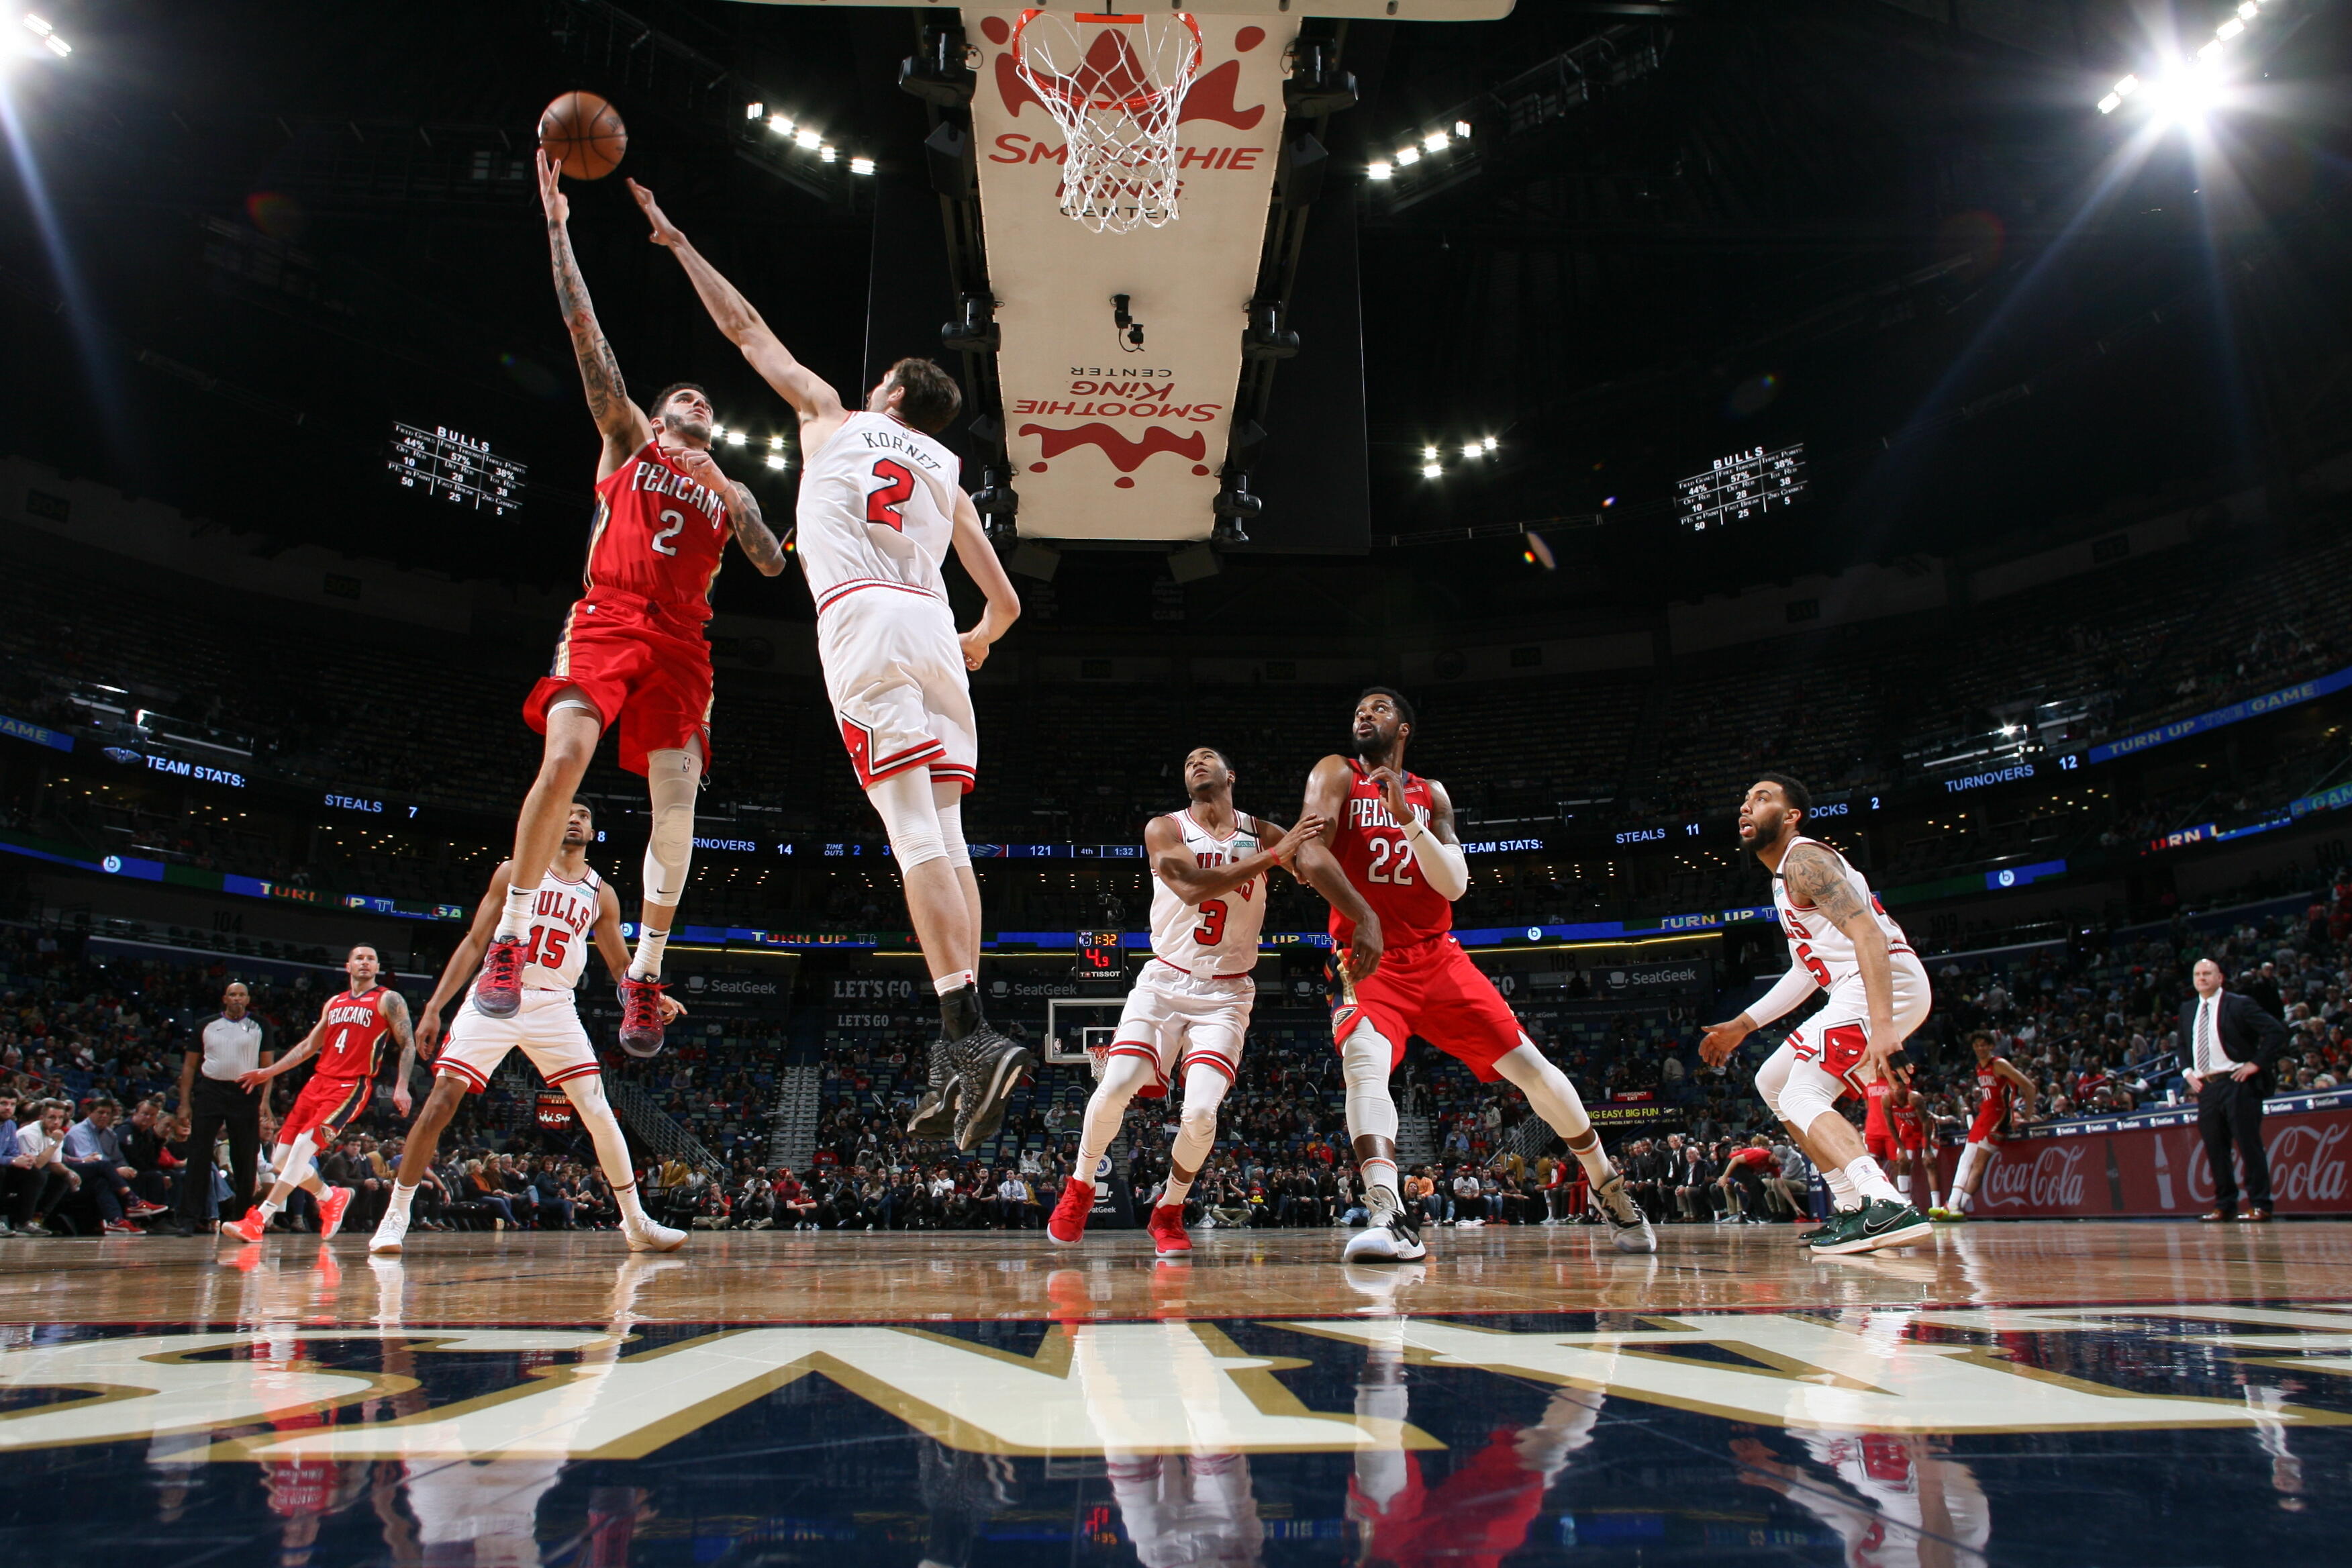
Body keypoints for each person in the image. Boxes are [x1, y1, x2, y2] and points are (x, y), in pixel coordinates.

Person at [628, 178, 1026, 1148]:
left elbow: (745, 330)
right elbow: (1007, 603)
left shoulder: (834, 416)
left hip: (865, 621)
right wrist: (977, 639)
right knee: (949, 838)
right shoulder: (950, 475)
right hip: (935, 631)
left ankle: (969, 1033)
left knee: (911, 835)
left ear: (890, 394)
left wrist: (680, 244)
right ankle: (960, 1042)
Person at [467, 152, 789, 1062]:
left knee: (677, 807)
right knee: (565, 758)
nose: (697, 401)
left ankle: (644, 972)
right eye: (683, 396)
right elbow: (587, 337)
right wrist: (558, 230)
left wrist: (724, 482)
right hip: (609, 617)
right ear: (656, 413)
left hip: (685, 644)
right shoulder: (627, 439)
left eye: (706, 402)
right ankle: (511, 937)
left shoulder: (727, 487)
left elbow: (770, 563)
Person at [1305, 688, 1654, 1263]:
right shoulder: (1336, 772)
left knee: (1532, 1069)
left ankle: (1607, 1185)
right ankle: (1387, 1212)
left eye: (1380, 708)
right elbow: (1310, 854)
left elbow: (1455, 884)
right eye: (1360, 709)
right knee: (1363, 1064)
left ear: (1404, 729)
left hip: (1438, 958)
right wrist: (1364, 917)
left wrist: (1407, 820)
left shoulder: (1431, 794)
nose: (1365, 714)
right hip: (1367, 959)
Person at [1047, 747, 1333, 1257]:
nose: (1196, 763)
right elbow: (1189, 887)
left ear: (1231, 775)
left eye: (1207, 758)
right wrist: (1277, 856)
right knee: (1115, 1085)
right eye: (1187, 762)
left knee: (1200, 1112)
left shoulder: (1263, 832)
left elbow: (1318, 867)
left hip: (1226, 993)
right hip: (1164, 982)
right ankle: (1081, 1186)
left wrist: (1319, 850)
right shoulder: (1166, 828)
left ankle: (1170, 1209)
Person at [369, 801, 689, 1255]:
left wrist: (652, 998)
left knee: (597, 1109)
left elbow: (621, 966)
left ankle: (636, 1221)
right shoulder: (514, 871)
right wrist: (435, 1006)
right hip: (496, 992)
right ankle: (395, 1216)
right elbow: (475, 941)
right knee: (441, 1100)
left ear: (593, 833)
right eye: (568, 811)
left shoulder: (602, 893)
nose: (575, 818)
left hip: (555, 1004)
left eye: (584, 815)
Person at [1698, 775, 1934, 1255]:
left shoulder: (1805, 860)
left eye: (1762, 798)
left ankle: (1885, 1202)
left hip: (1881, 980)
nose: (1746, 807)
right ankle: (1849, 1203)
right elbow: (1807, 970)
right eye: (1745, 800)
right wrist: (1743, 1025)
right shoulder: (1783, 878)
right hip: (1854, 986)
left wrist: (1884, 1028)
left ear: (1791, 817)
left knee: (1803, 1092)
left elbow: (1869, 935)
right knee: (1772, 1082)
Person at [226, 946, 411, 1244]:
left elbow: (408, 1044)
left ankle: (259, 1219)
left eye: (371, 959)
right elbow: (308, 1046)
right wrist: (269, 1071)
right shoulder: (335, 1002)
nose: (365, 963)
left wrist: (401, 1086)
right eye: (359, 958)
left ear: (378, 967)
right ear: (348, 966)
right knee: (281, 1160)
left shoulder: (388, 999)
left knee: (303, 1148)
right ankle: (330, 1196)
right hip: (318, 1082)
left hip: (350, 1085)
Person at [2179, 957, 2292, 1222]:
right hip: (2206, 1087)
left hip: (2237, 1082)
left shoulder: (2239, 1004)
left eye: (2207, 973)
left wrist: (2256, 1064)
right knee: (2215, 1148)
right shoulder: (2187, 1009)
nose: (2202, 978)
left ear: (2220, 978)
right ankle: (2225, 1205)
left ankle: (2260, 1204)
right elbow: (2182, 1045)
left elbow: (2276, 1032)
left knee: (2248, 1145)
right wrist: (2187, 1072)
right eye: (2197, 974)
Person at [172, 980, 273, 1237]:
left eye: (241, 995)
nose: (237, 998)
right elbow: (189, 1066)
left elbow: (268, 1068)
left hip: (245, 1092)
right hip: (210, 1091)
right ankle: (189, 1218)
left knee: (245, 1159)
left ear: (248, 999)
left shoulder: (261, 1025)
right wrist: (184, 1103)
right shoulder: (205, 1025)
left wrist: (265, 1101)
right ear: (225, 999)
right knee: (198, 1156)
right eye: (232, 994)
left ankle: (241, 1219)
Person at [1943, 1032, 2038, 1220]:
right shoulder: (1979, 1067)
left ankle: (1958, 1207)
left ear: (1992, 1046)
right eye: (1977, 1045)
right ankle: (1952, 1205)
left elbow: (2029, 1087)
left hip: (1999, 1117)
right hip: (1984, 1115)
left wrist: (2027, 1115)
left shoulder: (1999, 1064)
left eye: (1984, 1045)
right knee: (1966, 1159)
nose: (1980, 1048)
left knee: (1978, 1164)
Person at [62, 1097, 167, 1234]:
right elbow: (92, 1161)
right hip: (77, 1174)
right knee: (104, 1167)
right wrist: (117, 1170)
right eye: (101, 1112)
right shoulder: (78, 1131)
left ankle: (119, 1221)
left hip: (100, 1175)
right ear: (90, 1113)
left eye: (108, 1113)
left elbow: (118, 1158)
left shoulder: (109, 1133)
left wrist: (126, 1169)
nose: (105, 1116)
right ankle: (133, 1202)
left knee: (127, 1177)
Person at [1886, 1072, 1939, 1214]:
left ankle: (1937, 1207)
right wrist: (1901, 1149)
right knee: (1903, 1163)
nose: (1896, 1092)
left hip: (1925, 1130)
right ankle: (1905, 1206)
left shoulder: (1915, 1097)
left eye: (1899, 1089)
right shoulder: (1887, 1099)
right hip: (1908, 1131)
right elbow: (1891, 1126)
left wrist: (1927, 1149)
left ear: (1906, 1087)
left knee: (1929, 1163)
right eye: (1893, 1089)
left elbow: (1926, 1122)